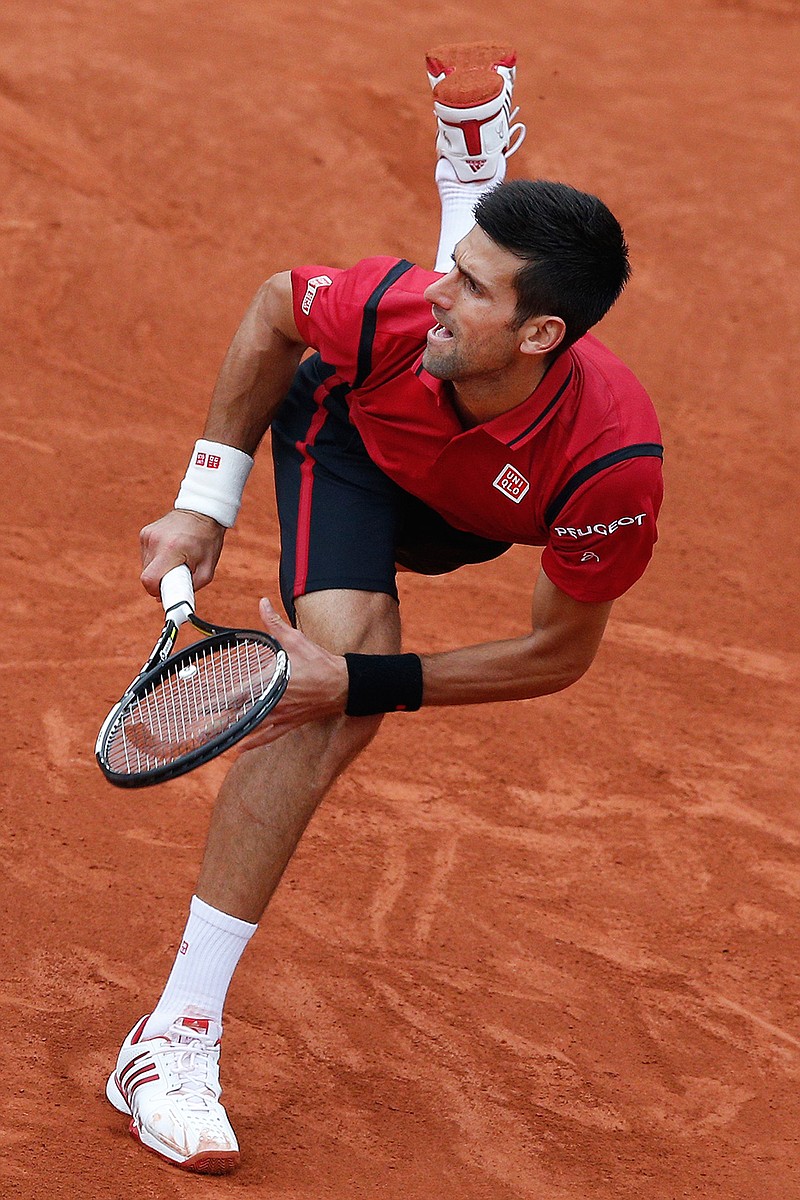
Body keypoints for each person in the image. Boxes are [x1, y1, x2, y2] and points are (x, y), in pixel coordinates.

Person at [106, 43, 663, 1175]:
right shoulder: (393, 315)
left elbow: (557, 655)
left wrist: (370, 686)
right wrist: (203, 504)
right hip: (355, 445)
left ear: (546, 333)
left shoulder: (612, 466)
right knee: (315, 704)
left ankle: (476, 179)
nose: (433, 291)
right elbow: (275, 307)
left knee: (346, 683)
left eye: (469, 279)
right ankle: (171, 1038)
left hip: (474, 508)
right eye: (454, 268)